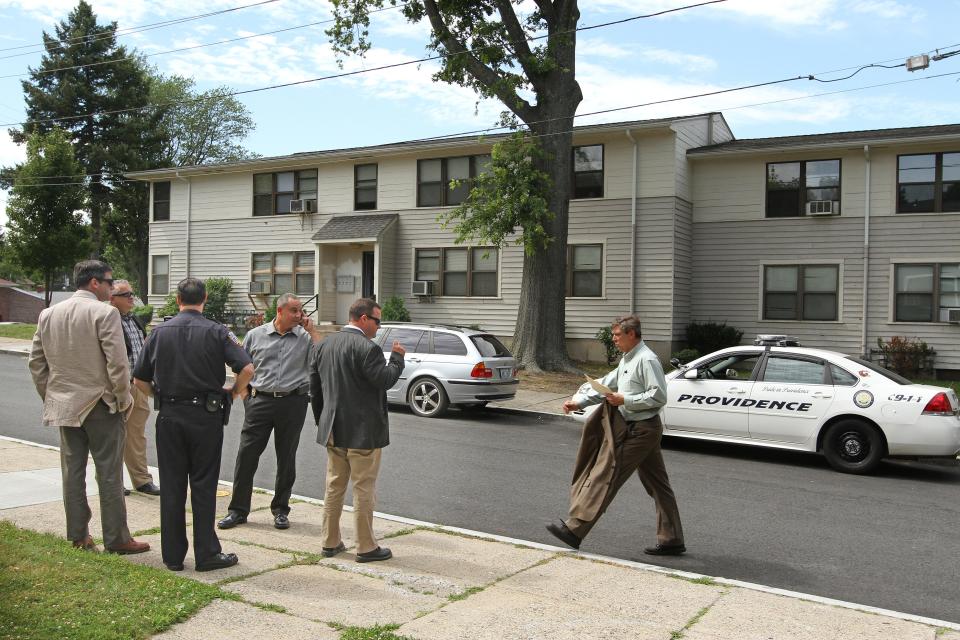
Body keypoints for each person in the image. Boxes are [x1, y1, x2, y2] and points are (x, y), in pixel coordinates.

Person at [27, 260, 149, 555]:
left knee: (72, 472)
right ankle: (117, 539)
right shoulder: (105, 312)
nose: (111, 287)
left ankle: (79, 535)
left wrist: (52, 396)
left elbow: (36, 363)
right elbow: (118, 363)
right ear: (94, 283)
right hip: (101, 404)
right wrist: (123, 400)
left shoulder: (48, 314)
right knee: (109, 473)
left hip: (65, 405)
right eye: (109, 282)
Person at [133, 278, 254, 572]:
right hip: (205, 417)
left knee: (172, 486)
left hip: (170, 416)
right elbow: (247, 368)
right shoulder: (218, 331)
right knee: (203, 484)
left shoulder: (158, 332)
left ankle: (173, 556)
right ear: (205, 299)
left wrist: (160, 397)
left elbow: (139, 380)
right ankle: (207, 553)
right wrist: (235, 392)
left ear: (177, 299)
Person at [548, 314, 686, 556]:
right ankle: (672, 539)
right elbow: (605, 384)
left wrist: (626, 399)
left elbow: (659, 396)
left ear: (631, 334)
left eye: (617, 335)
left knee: (607, 475)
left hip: (641, 430)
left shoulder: (647, 360)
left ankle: (575, 530)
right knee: (659, 486)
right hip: (640, 428)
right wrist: (578, 401)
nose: (614, 339)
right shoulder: (628, 359)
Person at [309, 298, 404, 562]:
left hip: (333, 429)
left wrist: (322, 422)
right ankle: (365, 547)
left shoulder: (324, 344)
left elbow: (314, 389)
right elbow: (384, 380)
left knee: (334, 486)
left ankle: (330, 541)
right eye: (377, 320)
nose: (379, 326)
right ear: (363, 318)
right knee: (363, 488)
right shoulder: (368, 348)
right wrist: (397, 359)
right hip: (363, 432)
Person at [218, 293, 321, 531]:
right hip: (259, 402)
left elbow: (322, 358)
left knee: (286, 458)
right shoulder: (255, 336)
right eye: (294, 311)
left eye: (301, 311)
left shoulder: (305, 338)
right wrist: (245, 397)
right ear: (280, 311)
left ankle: (281, 510)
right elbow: (240, 367)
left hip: (292, 402)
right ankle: (238, 510)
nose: (300, 315)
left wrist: (313, 331)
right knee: (247, 456)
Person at [109, 279, 160, 497]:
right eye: (126, 294)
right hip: (115, 387)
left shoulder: (135, 320)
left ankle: (141, 480)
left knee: (136, 435)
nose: (131, 297)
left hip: (137, 385)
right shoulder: (106, 320)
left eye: (132, 293)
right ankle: (112, 481)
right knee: (112, 436)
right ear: (112, 299)